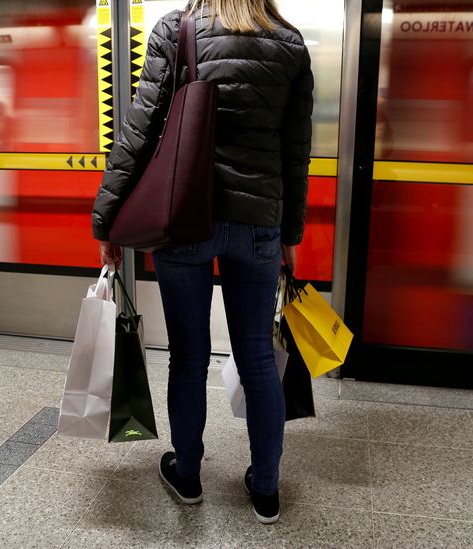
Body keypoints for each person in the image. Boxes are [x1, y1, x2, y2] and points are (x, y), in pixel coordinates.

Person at [91, 0, 313, 524]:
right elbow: (295, 149)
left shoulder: (179, 28)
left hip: (186, 219)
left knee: (188, 358)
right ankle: (265, 489)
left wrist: (107, 217)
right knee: (258, 358)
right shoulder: (290, 41)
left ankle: (187, 474)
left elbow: (140, 131)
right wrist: (291, 232)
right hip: (260, 224)